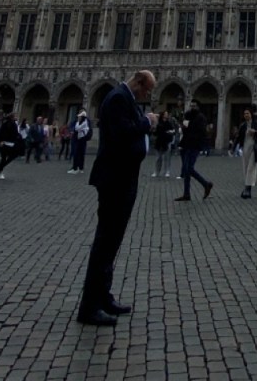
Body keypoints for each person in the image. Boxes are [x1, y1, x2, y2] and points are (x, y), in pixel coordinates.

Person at [77, 69, 157, 326]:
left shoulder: (124, 98)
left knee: (111, 242)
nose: (147, 95)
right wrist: (147, 123)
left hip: (122, 179)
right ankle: (89, 307)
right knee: (105, 242)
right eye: (146, 90)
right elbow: (123, 133)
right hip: (115, 180)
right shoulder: (117, 98)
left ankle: (103, 296)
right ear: (139, 81)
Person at [174, 102, 213, 202]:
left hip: (195, 145)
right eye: (191, 105)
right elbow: (185, 128)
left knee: (189, 168)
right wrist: (184, 127)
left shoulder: (201, 117)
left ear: (198, 106)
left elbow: (201, 132)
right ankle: (186, 194)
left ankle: (206, 184)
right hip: (186, 144)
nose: (192, 107)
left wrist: (189, 128)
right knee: (187, 170)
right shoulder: (187, 115)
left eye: (194, 105)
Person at [235, 107, 257, 199]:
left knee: (251, 168)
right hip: (245, 148)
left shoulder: (256, 123)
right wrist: (233, 147)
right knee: (246, 168)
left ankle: (247, 189)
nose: (246, 115)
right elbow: (238, 137)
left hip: (254, 148)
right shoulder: (243, 125)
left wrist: (254, 132)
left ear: (251, 114)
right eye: (245, 113)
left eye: (247, 113)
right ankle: (247, 189)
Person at [0, 112, 23, 179]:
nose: (16, 117)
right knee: (4, 157)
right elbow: (1, 133)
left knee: (11, 156)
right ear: (12, 117)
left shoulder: (14, 124)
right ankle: (1, 171)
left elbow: (15, 134)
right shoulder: (6, 124)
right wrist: (1, 141)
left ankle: (2, 168)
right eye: (15, 116)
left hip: (11, 142)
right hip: (5, 142)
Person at [151, 110, 176, 178]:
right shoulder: (158, 123)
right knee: (158, 158)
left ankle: (167, 171)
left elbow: (173, 131)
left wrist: (171, 132)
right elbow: (155, 132)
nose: (167, 115)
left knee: (167, 158)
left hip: (167, 141)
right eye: (165, 114)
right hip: (159, 142)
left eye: (167, 114)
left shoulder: (169, 123)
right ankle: (156, 171)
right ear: (162, 115)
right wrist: (153, 130)